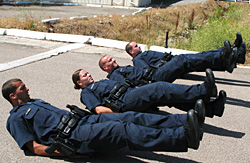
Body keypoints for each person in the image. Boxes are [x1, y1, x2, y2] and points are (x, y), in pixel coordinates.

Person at [2, 78, 205, 157]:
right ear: (12, 96)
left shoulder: (34, 102)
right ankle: (184, 137)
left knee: (130, 117)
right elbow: (34, 148)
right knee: (121, 130)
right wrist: (67, 153)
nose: (27, 88)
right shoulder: (15, 119)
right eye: (22, 88)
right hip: (75, 135)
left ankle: (185, 121)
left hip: (83, 121)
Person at [72, 68, 225, 118]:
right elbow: (98, 110)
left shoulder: (100, 82)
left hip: (130, 94)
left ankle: (211, 108)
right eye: (85, 76)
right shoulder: (86, 93)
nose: (89, 75)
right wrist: (121, 113)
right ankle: (204, 89)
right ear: (79, 83)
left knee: (167, 97)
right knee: (160, 88)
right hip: (124, 102)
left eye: (88, 73)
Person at [125, 33, 246, 83]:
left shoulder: (141, 55)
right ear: (131, 51)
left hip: (173, 60)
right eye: (136, 46)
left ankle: (232, 51)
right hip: (171, 65)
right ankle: (225, 56)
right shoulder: (137, 60)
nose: (139, 46)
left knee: (201, 57)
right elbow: (148, 73)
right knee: (198, 59)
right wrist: (163, 63)